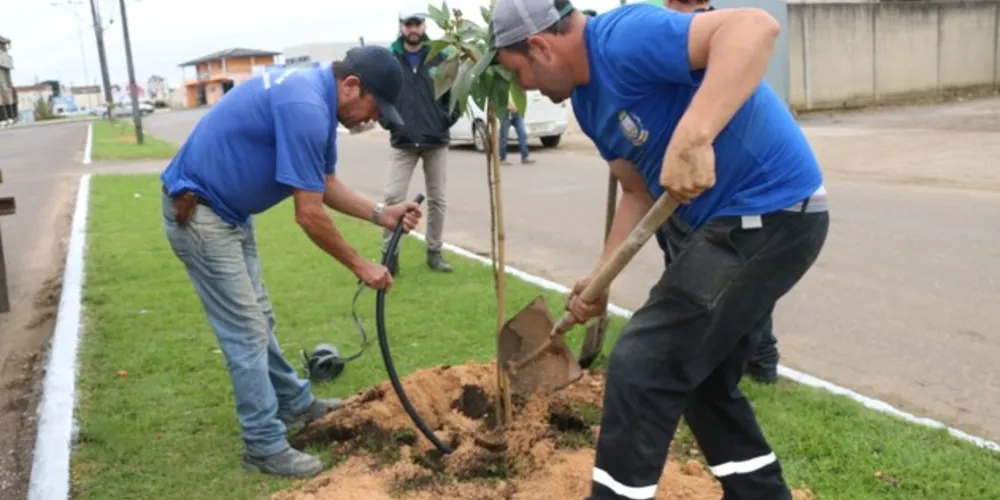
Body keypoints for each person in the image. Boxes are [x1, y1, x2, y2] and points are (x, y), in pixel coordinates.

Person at [487, 1, 829, 499]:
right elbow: (635, 191)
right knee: (702, 382)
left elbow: (754, 26)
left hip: (770, 213)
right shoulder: (586, 101)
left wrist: (695, 134)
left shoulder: (625, 36)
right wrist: (601, 278)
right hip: (720, 226)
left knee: (644, 362)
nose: (526, 88)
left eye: (520, 72)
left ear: (540, 45)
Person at [160, 45, 422, 478]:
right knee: (246, 330)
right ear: (352, 85)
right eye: (374, 109)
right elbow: (309, 213)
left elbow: (323, 184)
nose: (372, 120)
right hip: (200, 214)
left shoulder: (315, 98)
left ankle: (295, 404)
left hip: (228, 214)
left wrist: (380, 213)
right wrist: (362, 266)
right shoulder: (304, 105)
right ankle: (263, 444)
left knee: (259, 317)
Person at [658, 0, 779, 384]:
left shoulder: (690, 37)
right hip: (730, 175)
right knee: (745, 278)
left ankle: (743, 357)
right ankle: (759, 358)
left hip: (710, 181)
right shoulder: (720, 31)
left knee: (698, 274)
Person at [379, 9, 460, 276]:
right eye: (408, 24)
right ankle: (389, 257)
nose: (413, 29)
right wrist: (390, 122)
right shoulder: (390, 59)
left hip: (435, 139)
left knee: (438, 199)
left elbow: (455, 95)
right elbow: (381, 97)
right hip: (402, 141)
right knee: (393, 197)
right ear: (401, 26)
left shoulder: (440, 56)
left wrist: (443, 121)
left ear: (424, 25)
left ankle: (434, 252)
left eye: (417, 23)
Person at [499, 101, 536, 165]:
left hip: (517, 112)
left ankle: (525, 157)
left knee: (522, 134)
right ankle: (502, 158)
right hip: (505, 112)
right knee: (504, 136)